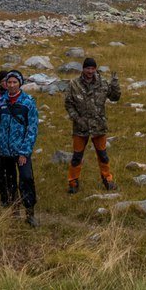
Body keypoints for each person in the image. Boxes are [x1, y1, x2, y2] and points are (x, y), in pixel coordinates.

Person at [63, 57, 121, 193]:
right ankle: (73, 182)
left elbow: (115, 97)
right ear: (83, 69)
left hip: (98, 127)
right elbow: (68, 104)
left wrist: (115, 84)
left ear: (95, 69)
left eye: (92, 68)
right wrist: (77, 118)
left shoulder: (103, 83)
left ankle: (108, 180)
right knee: (77, 156)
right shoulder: (74, 84)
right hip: (80, 127)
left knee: (103, 155)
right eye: (87, 68)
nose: (90, 71)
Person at [0, 70, 40, 227]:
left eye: (14, 82)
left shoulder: (28, 102)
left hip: (21, 152)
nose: (11, 85)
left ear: (20, 84)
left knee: (26, 179)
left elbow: (32, 129)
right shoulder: (1, 103)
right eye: (9, 82)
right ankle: (14, 210)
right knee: (9, 181)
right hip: (4, 151)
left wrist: (25, 151)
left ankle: (30, 212)